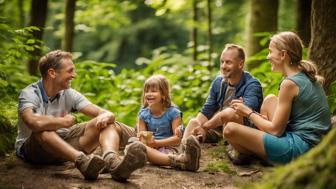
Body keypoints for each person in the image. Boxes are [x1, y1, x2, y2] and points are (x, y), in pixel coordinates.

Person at [15, 50, 147, 181]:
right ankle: (82, 161)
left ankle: (113, 163)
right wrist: (63, 122)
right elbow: (33, 122)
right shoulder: (30, 93)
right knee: (43, 130)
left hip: (64, 146)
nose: (74, 75)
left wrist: (106, 116)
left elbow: (105, 113)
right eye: (70, 71)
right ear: (52, 73)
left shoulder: (68, 93)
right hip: (34, 151)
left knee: (105, 123)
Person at [227, 31, 331, 164]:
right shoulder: (303, 75)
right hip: (311, 144)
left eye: (270, 52)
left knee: (230, 129)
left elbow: (276, 130)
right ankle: (259, 151)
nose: (267, 56)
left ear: (283, 55)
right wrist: (258, 118)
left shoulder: (290, 83)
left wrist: (248, 112)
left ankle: (257, 154)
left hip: (301, 149)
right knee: (270, 99)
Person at [179, 44, 263, 164]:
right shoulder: (219, 82)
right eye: (222, 62)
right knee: (193, 122)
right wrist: (198, 128)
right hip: (219, 128)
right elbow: (207, 109)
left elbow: (239, 114)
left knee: (235, 115)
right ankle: (184, 156)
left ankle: (238, 149)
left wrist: (205, 127)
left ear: (240, 64)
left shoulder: (252, 85)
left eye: (228, 62)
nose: (223, 66)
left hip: (239, 130)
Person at [133, 75, 201, 171]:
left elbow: (177, 139)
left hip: (168, 147)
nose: (149, 94)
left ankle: (179, 160)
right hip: (150, 147)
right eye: (146, 91)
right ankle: (165, 160)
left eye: (153, 91)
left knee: (155, 152)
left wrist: (156, 143)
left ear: (163, 95)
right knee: (136, 146)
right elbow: (142, 137)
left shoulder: (173, 113)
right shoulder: (143, 114)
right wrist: (145, 140)